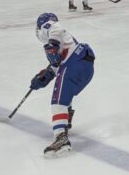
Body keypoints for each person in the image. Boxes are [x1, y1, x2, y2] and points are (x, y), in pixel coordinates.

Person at [31, 13, 95, 157]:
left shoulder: (49, 26)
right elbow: (57, 63)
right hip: (84, 65)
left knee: (58, 101)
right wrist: (44, 77)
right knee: (65, 96)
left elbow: (55, 28)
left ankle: (61, 139)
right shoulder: (67, 41)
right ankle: (65, 123)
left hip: (75, 63)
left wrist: (52, 43)